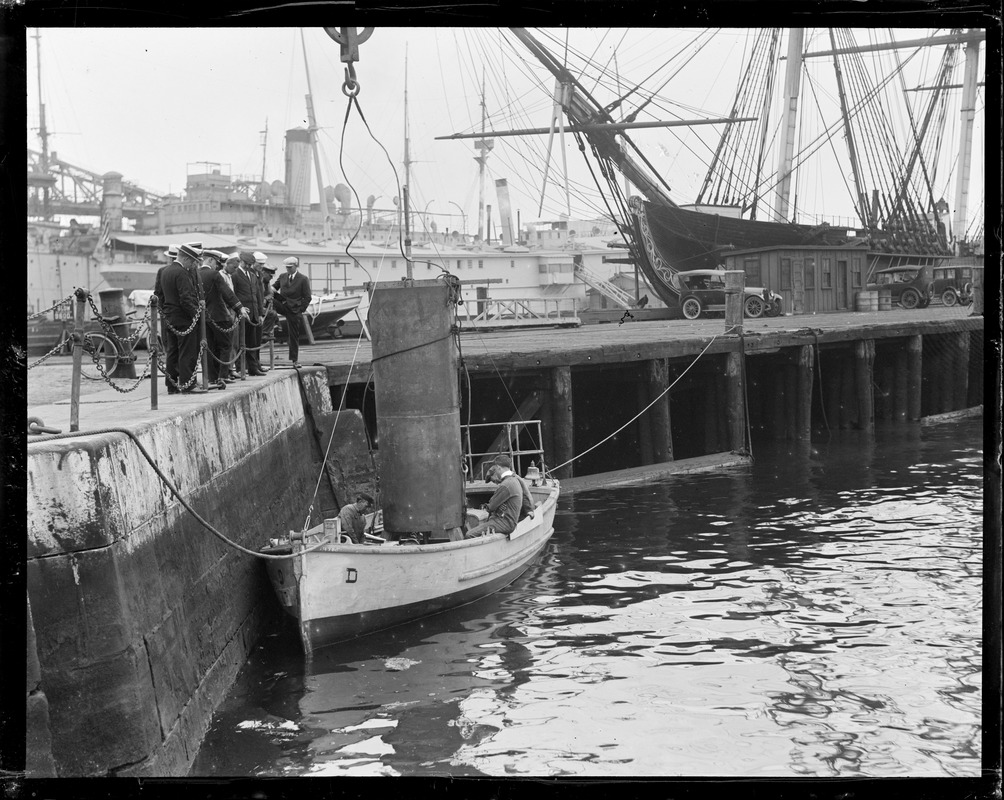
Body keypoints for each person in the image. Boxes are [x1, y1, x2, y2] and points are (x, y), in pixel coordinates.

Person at [160, 242, 207, 394]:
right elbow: (186, 299)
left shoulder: (166, 271)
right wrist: (197, 316)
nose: (193, 265)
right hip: (184, 319)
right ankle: (188, 384)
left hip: (170, 318)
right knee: (188, 352)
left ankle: (171, 385)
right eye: (192, 261)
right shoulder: (182, 273)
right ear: (186, 259)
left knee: (172, 352)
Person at [198, 251, 249, 389]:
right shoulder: (214, 275)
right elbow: (227, 293)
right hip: (219, 316)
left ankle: (211, 377)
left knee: (209, 348)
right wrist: (240, 308)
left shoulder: (195, 274)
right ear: (209, 261)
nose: (217, 266)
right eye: (215, 263)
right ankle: (223, 376)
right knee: (226, 345)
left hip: (203, 318)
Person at [464, 454, 529, 539]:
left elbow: (491, 506)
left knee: (469, 534)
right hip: (508, 521)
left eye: (496, 468)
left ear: (498, 467)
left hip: (504, 522)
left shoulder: (506, 485)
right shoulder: (514, 480)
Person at [271, 256, 312, 366]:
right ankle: (275, 321)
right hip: (283, 305)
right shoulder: (282, 276)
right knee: (270, 297)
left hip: (295, 310)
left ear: (296, 266)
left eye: (290, 267)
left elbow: (307, 297)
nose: (288, 269)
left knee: (293, 335)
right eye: (286, 267)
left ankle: (294, 360)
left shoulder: (303, 279)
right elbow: (274, 288)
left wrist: (300, 310)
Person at [230, 251, 267, 375]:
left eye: (250, 264)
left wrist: (260, 313)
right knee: (241, 342)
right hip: (242, 314)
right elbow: (232, 295)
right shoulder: (235, 275)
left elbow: (258, 295)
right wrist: (237, 311)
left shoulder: (252, 276)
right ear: (241, 262)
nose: (248, 266)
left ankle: (253, 367)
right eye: (247, 264)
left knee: (252, 342)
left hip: (254, 314)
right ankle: (240, 368)